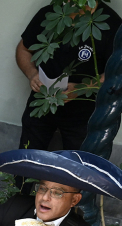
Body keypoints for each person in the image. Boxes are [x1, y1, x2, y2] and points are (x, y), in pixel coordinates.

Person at [16, 1, 122, 152]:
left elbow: (115, 73)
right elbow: (24, 48)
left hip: (84, 114)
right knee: (26, 160)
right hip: (42, 102)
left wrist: (81, 89)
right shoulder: (49, 14)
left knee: (77, 168)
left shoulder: (112, 24)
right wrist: (32, 74)